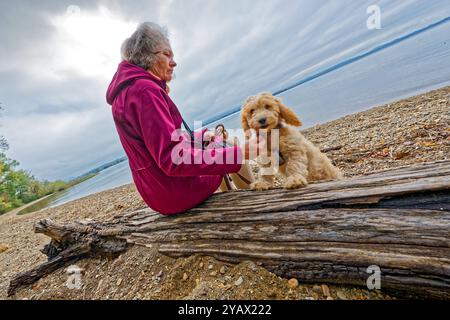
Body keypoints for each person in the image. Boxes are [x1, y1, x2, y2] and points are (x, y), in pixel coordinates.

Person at [106, 22, 262, 215]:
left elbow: (158, 145)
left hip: (157, 192)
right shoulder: (145, 91)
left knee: (215, 141)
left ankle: (233, 202)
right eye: (167, 54)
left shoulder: (126, 91)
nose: (174, 62)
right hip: (176, 192)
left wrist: (201, 136)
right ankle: (256, 207)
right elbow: (173, 160)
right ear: (147, 56)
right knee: (230, 147)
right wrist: (241, 153)